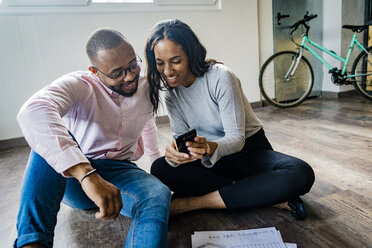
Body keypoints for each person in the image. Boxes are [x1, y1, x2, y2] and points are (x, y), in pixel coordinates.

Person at [14, 28, 171, 248]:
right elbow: (32, 111)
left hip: (120, 174)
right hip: (75, 179)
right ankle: (32, 243)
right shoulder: (79, 85)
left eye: (132, 65)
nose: (129, 76)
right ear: (95, 71)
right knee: (48, 138)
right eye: (117, 73)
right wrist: (86, 174)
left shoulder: (146, 88)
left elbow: (148, 124)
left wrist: (156, 165)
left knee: (157, 194)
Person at [144, 19, 315, 220]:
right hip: (211, 161)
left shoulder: (221, 77)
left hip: (247, 151)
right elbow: (183, 144)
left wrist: (209, 147)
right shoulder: (171, 94)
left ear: (191, 54)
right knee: (160, 168)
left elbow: (236, 139)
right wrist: (176, 155)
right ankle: (258, 193)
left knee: (300, 173)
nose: (167, 71)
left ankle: (192, 204)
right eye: (160, 63)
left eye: (176, 61)